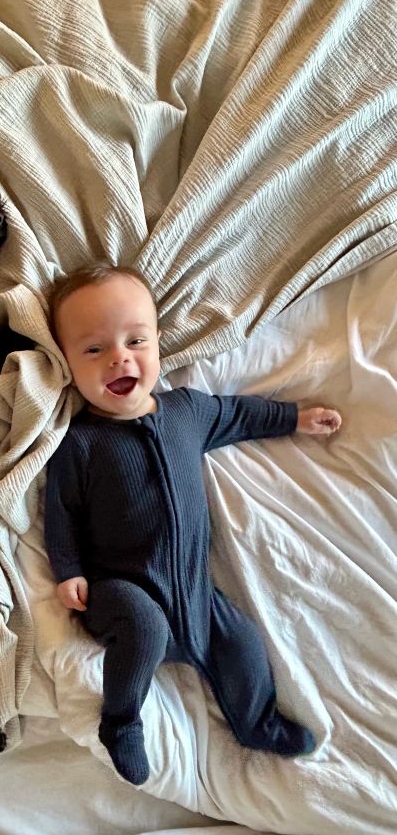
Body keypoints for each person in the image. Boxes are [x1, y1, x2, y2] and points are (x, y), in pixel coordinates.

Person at [44, 262, 342, 785]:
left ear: (159, 343)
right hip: (122, 592)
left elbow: (240, 414)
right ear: (66, 364)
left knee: (242, 643)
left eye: (135, 340)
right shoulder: (81, 442)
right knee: (145, 627)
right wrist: (68, 569)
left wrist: (294, 417)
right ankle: (121, 722)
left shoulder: (187, 411)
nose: (119, 357)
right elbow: (61, 512)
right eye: (94, 349)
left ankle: (257, 723)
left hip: (197, 593)